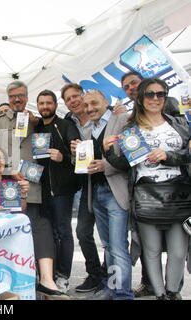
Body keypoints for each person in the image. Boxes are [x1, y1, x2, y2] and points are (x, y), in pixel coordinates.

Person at [103, 77, 191, 300]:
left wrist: (168, 156)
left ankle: (173, 292)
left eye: (160, 94)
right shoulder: (131, 128)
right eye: (149, 94)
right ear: (140, 98)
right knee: (150, 252)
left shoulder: (178, 124)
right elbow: (124, 164)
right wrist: (109, 151)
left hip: (178, 194)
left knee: (178, 252)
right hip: (146, 194)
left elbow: (188, 155)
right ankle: (161, 295)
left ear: (165, 96)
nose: (155, 98)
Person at [0, 81, 66, 299]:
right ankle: (10, 281)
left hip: (36, 187)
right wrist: (11, 169)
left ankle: (44, 279)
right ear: (8, 97)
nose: (16, 100)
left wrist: (37, 124)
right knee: (10, 233)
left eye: (20, 96)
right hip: (9, 187)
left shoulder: (38, 121)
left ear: (26, 96)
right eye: (12, 96)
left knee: (38, 229)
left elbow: (47, 150)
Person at [77, 90, 134, 300]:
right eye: (86, 105)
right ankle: (112, 288)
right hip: (97, 193)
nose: (90, 108)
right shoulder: (89, 128)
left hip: (115, 192)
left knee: (118, 246)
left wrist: (106, 165)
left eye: (94, 103)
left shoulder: (123, 119)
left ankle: (123, 294)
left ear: (106, 102)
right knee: (109, 246)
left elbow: (132, 157)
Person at [35, 90, 81, 294]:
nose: (45, 106)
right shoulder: (35, 126)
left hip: (62, 190)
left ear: (55, 104)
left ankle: (63, 276)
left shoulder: (65, 125)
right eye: (41, 103)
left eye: (48, 103)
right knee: (49, 233)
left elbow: (78, 153)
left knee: (63, 232)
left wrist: (63, 157)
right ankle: (48, 276)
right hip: (41, 190)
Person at [61, 83, 105, 292]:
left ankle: (110, 276)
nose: (73, 101)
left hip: (108, 181)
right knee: (83, 231)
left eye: (76, 96)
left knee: (110, 236)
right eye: (68, 99)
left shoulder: (104, 117)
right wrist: (71, 154)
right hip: (85, 184)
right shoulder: (68, 122)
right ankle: (95, 274)